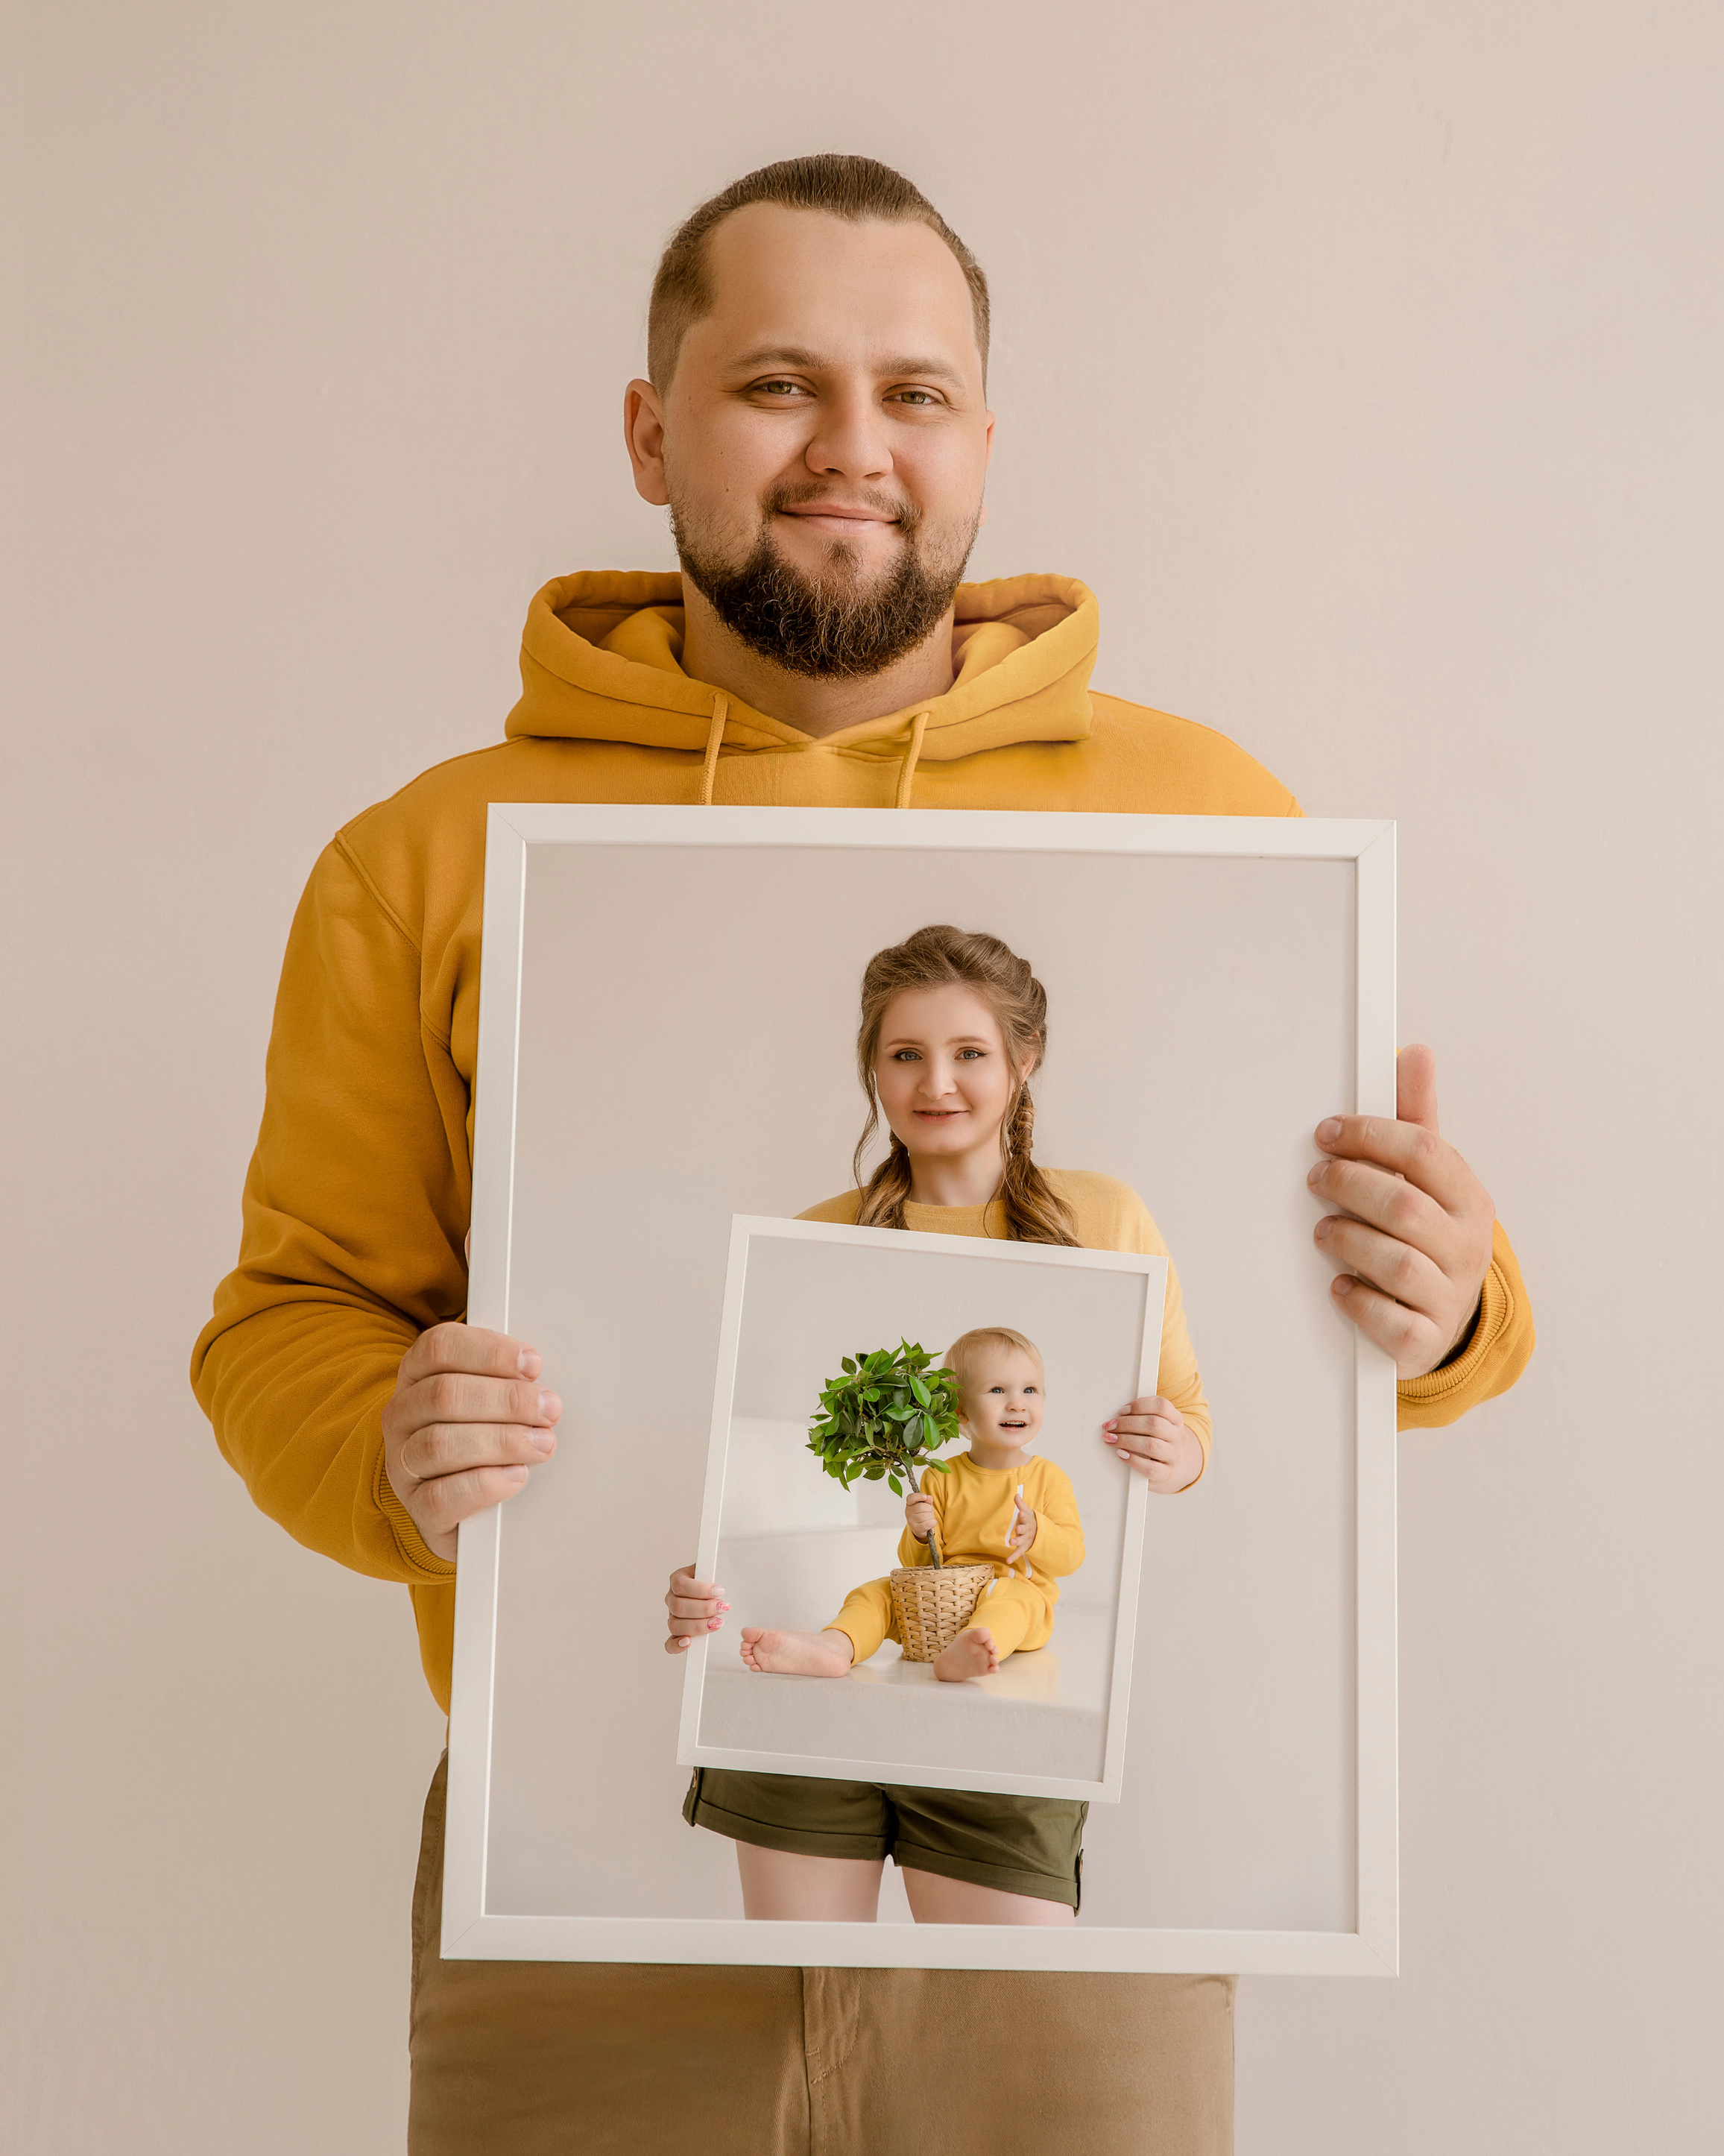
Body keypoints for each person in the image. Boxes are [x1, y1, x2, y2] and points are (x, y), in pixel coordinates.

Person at [192, 151, 1534, 2155]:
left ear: (983, 439)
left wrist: (1446, 1314)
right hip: (579, 1875)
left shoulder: (1223, 821)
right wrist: (389, 1438)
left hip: (1089, 1861)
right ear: (652, 432)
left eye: (912, 392)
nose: (852, 448)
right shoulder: (427, 856)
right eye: (775, 385)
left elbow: (1300, 1355)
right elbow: (286, 1324)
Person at [680, 921, 1203, 1935]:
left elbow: (1192, 1423)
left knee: (996, 2045)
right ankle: (833, 1646)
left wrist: (1176, 1455)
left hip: (1005, 1723)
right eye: (905, 1054)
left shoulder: (1107, 1220)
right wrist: (701, 1572)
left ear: (1024, 1060)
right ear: (872, 1068)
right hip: (823, 1724)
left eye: (969, 1053)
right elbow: (739, 1455)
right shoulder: (814, 1237)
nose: (937, 1083)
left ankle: (966, 1644)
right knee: (811, 2028)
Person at [738, 1325, 1086, 1686]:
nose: (1017, 1402)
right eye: (998, 1390)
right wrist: (920, 1533)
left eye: (1030, 1389)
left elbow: (1072, 1557)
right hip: (941, 1602)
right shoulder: (941, 1476)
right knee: (878, 1592)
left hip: (1017, 1596)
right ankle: (836, 1645)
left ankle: (975, 1647)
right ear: (961, 1410)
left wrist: (1039, 1534)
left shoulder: (1049, 1478)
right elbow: (915, 1565)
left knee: (1010, 1599)